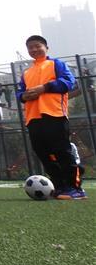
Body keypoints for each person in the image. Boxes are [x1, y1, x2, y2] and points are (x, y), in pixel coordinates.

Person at [16, 36, 83, 199]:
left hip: (55, 114)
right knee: (42, 152)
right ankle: (59, 186)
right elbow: (19, 93)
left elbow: (68, 82)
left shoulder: (56, 64)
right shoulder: (26, 72)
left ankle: (75, 188)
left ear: (46, 47)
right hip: (33, 117)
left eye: (37, 46)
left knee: (62, 151)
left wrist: (44, 88)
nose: (34, 50)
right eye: (30, 48)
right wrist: (25, 96)